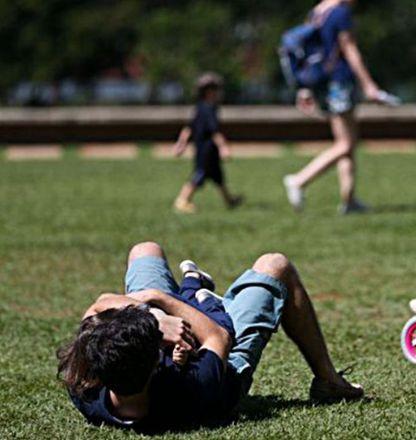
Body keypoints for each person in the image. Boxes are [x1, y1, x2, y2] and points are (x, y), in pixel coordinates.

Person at [57, 241, 363, 433]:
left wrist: (153, 318)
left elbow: (99, 305)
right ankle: (329, 381)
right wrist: (159, 301)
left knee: (145, 250)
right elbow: (217, 336)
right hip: (222, 355)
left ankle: (191, 288)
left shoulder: (85, 385)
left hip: (162, 336)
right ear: (155, 364)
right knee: (275, 265)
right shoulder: (193, 388)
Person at [283, 0, 385, 214]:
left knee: (346, 142)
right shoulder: (340, 12)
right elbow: (349, 49)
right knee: (345, 144)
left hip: (323, 83)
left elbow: (307, 53)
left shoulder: (317, 11)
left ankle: (349, 200)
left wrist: (304, 89)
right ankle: (299, 180)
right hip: (340, 81)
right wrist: (369, 85)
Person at [173, 72, 242, 214]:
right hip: (206, 149)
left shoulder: (200, 107)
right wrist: (224, 147)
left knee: (218, 176)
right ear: (209, 91)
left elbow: (188, 128)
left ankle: (229, 200)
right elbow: (214, 131)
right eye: (216, 90)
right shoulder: (209, 109)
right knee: (199, 174)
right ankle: (182, 200)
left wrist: (181, 144)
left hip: (205, 148)